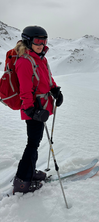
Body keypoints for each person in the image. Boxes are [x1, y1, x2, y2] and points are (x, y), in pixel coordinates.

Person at [13, 26, 63, 194]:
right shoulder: (24, 61)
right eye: (37, 41)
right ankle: (22, 181)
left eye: (44, 41)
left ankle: (29, 172)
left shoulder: (40, 58)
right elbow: (25, 91)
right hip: (34, 108)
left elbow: (47, 78)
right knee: (32, 143)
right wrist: (31, 111)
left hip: (43, 106)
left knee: (35, 142)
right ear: (28, 41)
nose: (41, 44)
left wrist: (55, 89)